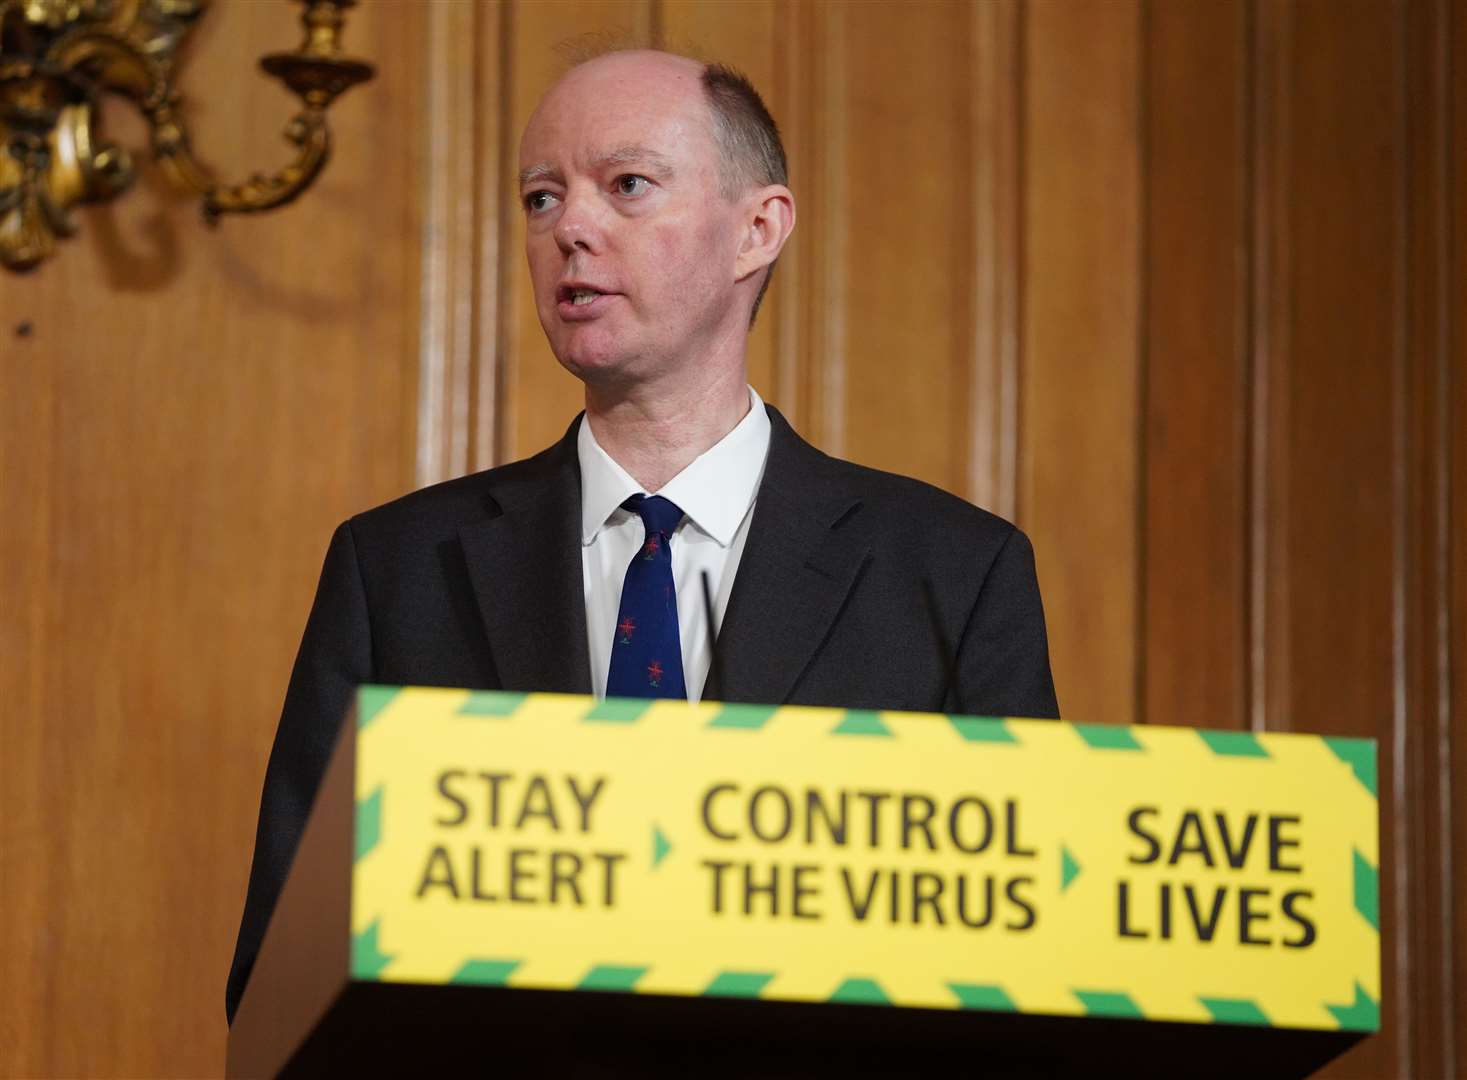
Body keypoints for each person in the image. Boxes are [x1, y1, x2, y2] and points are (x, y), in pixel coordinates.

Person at [225, 48, 1058, 1024]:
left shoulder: (955, 576)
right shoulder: (395, 570)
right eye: (541, 198)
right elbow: (281, 985)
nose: (570, 228)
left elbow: (1019, 974)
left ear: (758, 228)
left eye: (626, 186)